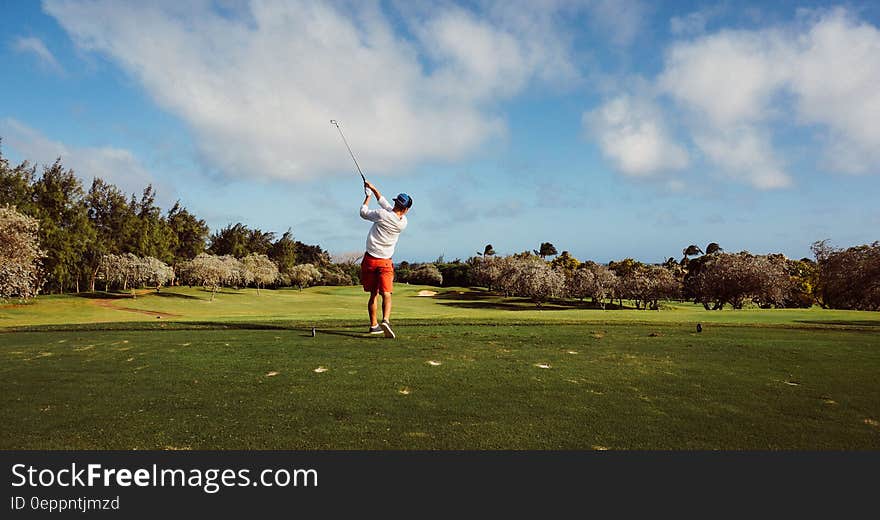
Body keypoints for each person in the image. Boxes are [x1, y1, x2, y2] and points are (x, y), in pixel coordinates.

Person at [359, 180, 412, 338]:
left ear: (397, 203)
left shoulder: (382, 215)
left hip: (370, 260)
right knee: (387, 293)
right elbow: (385, 204)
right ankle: (386, 321)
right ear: (406, 209)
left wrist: (367, 196)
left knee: (373, 294)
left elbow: (363, 212)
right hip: (385, 262)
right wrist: (373, 189)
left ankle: (374, 325)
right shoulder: (403, 222)